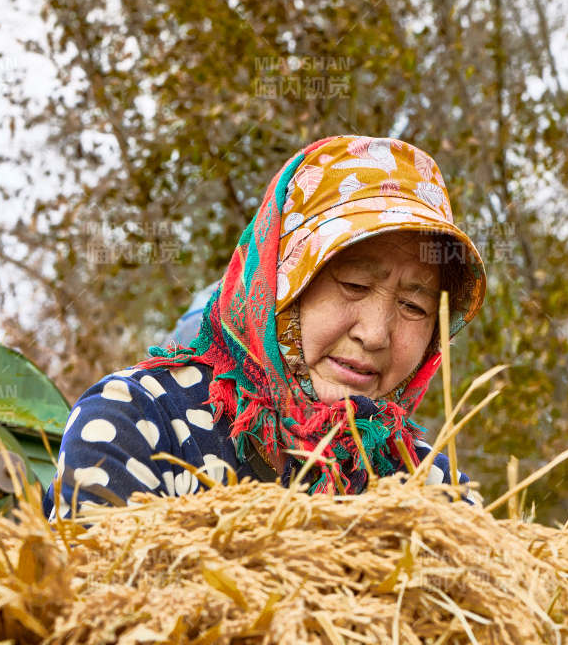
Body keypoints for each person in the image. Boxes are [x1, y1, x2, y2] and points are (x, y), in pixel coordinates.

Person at [43, 135, 487, 519]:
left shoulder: (430, 489)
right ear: (279, 280)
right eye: (353, 284)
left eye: (413, 305)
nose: (374, 334)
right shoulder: (139, 422)